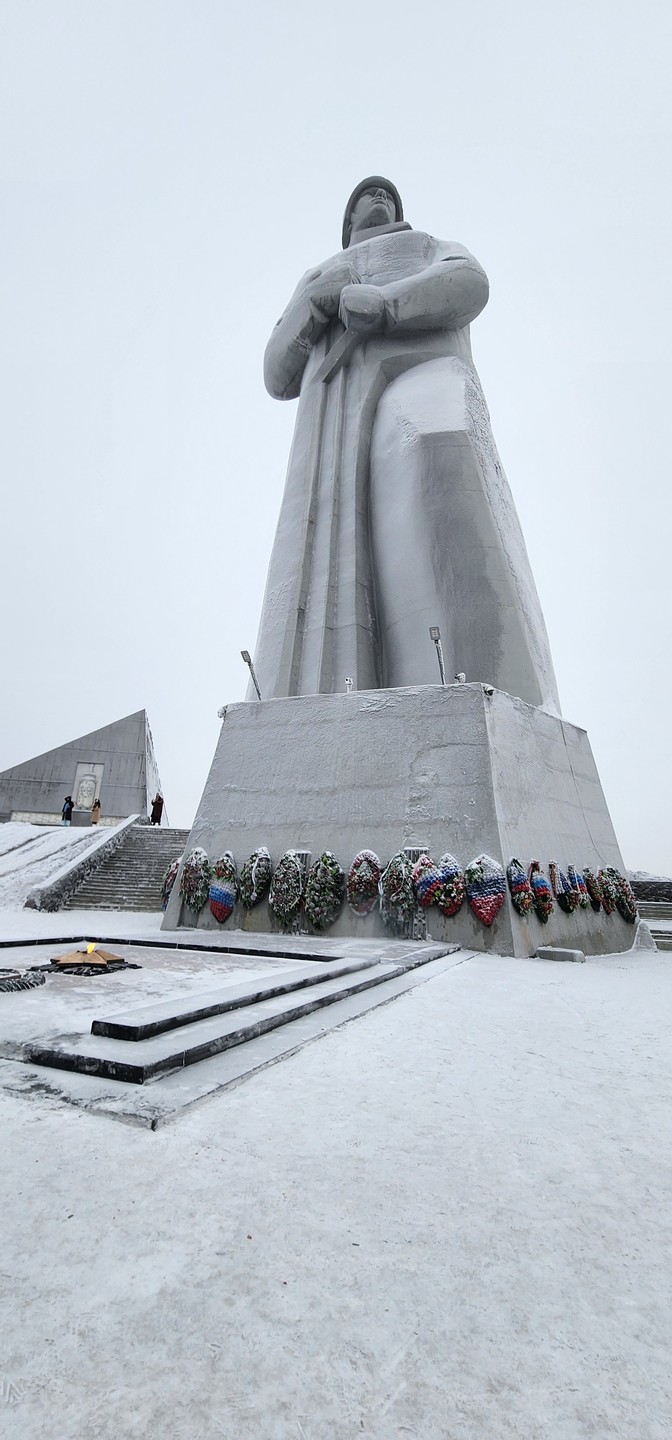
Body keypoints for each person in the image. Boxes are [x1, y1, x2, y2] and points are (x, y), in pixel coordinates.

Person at [251, 177, 560, 712]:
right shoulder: (316, 276)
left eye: (386, 195)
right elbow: (276, 372)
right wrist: (312, 306)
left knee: (438, 497)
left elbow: (468, 283)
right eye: (365, 197)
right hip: (328, 437)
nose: (378, 200)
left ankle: (475, 693)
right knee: (319, 573)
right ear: (347, 223)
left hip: (416, 387)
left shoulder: (423, 246)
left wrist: (388, 303)